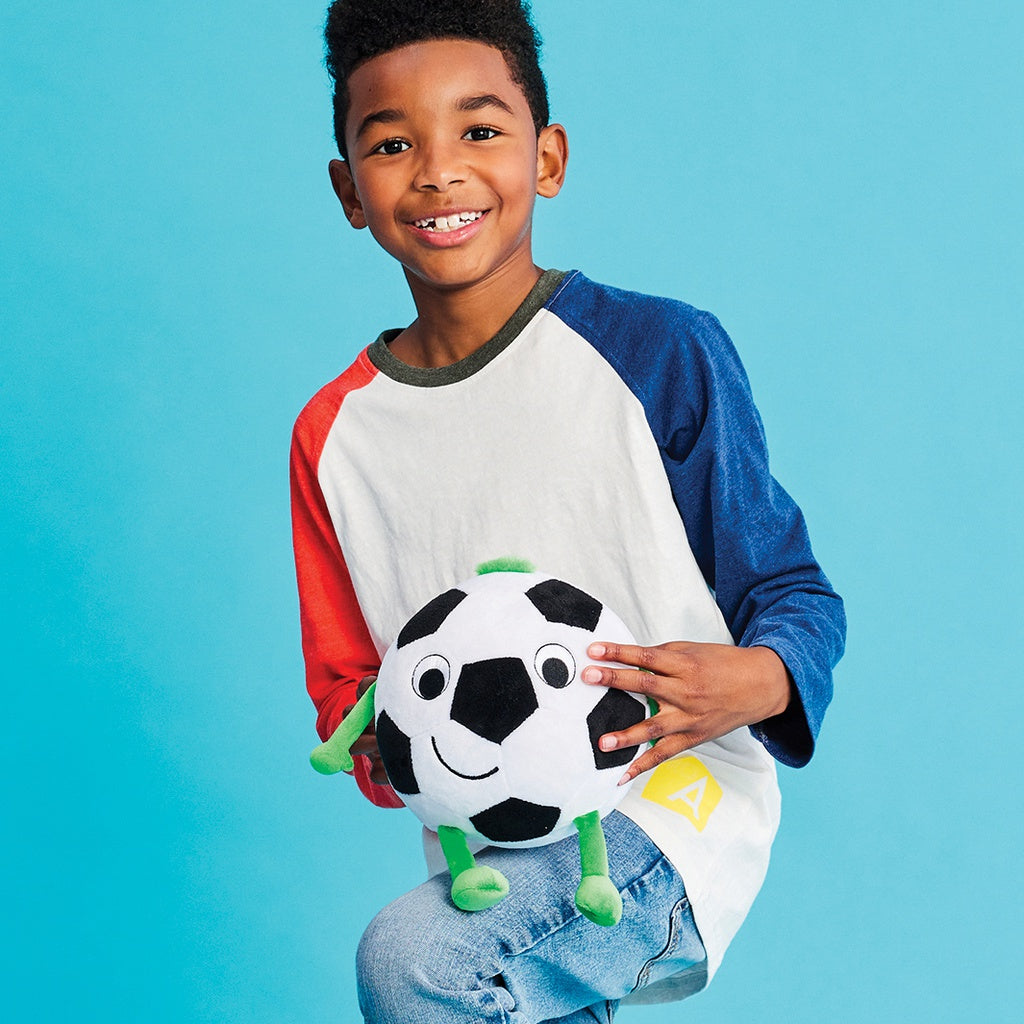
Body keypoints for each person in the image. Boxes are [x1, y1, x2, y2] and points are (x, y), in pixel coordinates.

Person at [290, 1, 846, 1020]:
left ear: (546, 157)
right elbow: (347, 687)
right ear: (347, 191)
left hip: (670, 808)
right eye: (392, 143)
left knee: (413, 960)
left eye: (480, 131)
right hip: (491, 854)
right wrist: (389, 732)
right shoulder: (334, 436)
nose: (438, 170)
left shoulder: (657, 352)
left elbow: (787, 587)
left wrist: (756, 678)